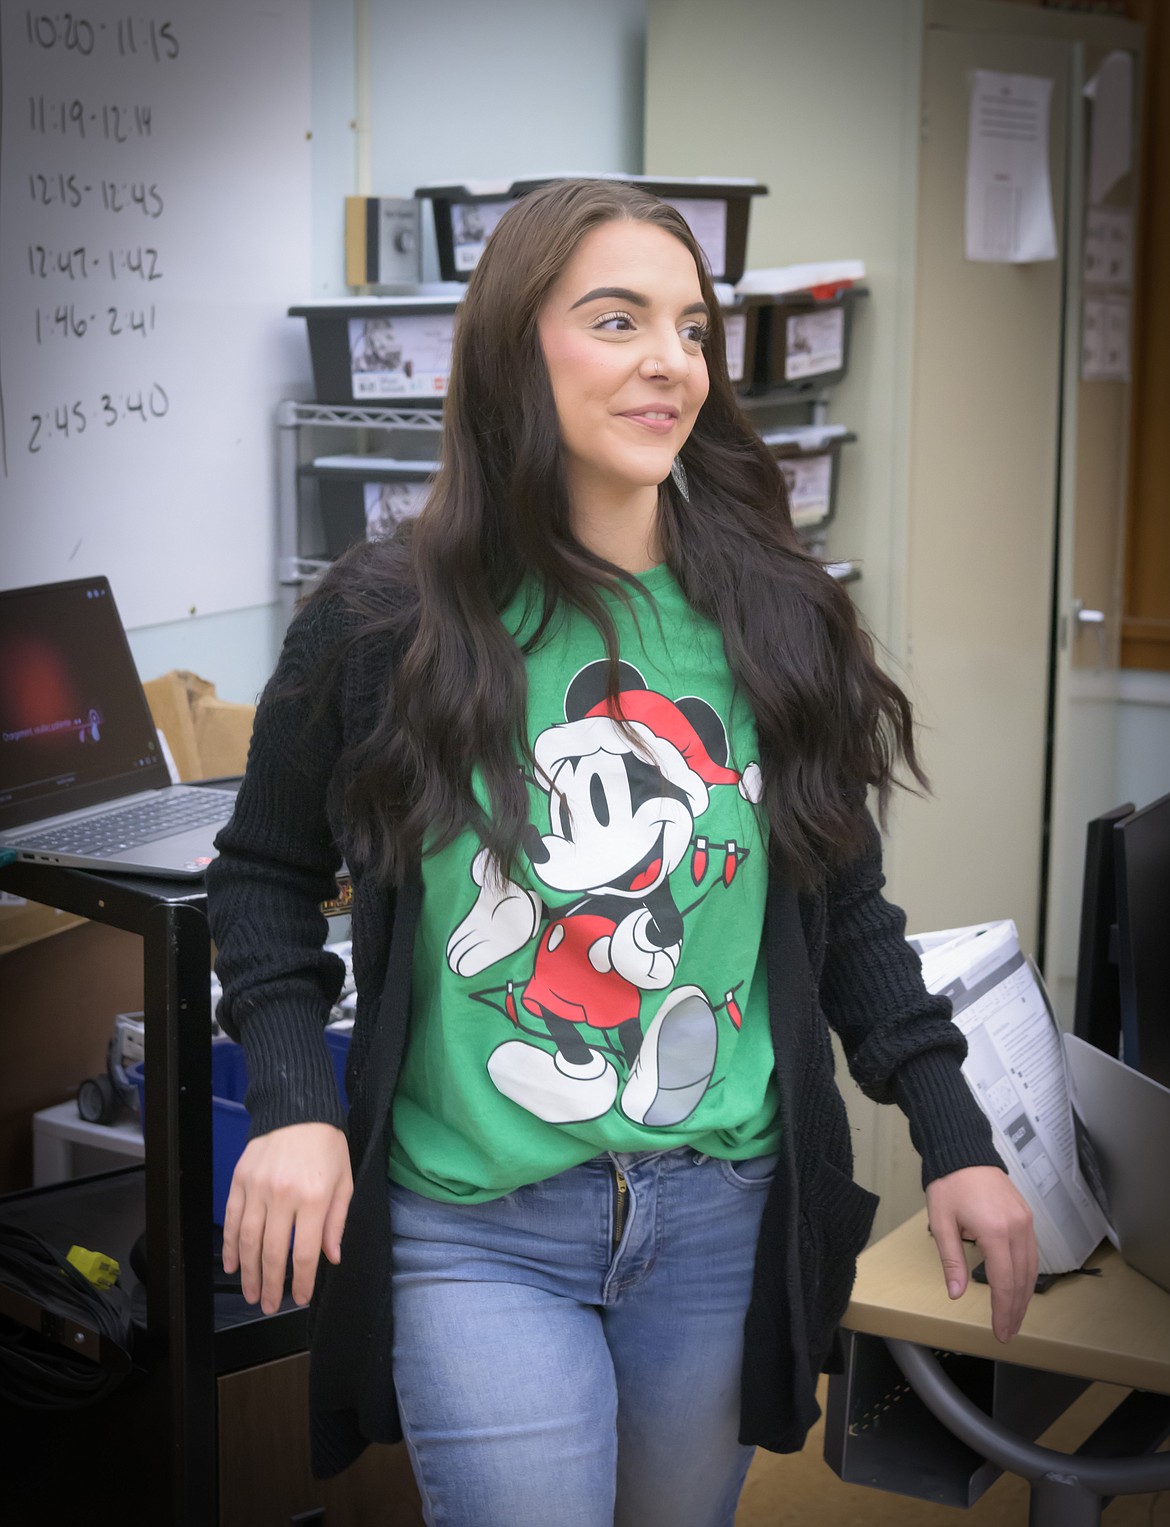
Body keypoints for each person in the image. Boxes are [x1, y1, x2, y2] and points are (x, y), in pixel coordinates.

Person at [207, 178, 1037, 1527]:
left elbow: (848, 915)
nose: (669, 361)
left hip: (721, 1217)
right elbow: (263, 877)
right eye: (615, 319)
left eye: (691, 328)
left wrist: (958, 1138)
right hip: (475, 1228)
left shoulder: (774, 616)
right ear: (511, 353)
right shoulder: (378, 621)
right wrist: (300, 1103)